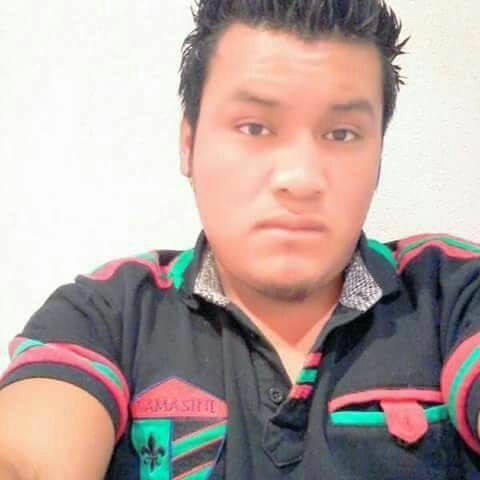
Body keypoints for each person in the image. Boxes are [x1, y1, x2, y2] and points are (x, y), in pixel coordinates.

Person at [0, 0, 479, 478]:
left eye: (342, 134)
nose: (300, 179)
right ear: (188, 144)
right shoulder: (110, 316)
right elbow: (28, 460)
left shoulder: (451, 294)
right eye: (254, 127)